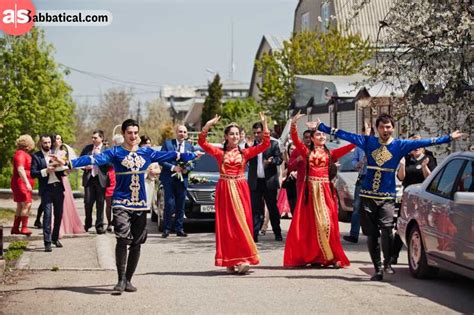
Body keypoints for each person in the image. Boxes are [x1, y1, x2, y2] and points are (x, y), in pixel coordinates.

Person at [311, 113, 465, 281]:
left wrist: (449, 137)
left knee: (387, 229)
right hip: (367, 195)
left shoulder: (400, 145)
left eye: (389, 127)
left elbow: (425, 142)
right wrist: (323, 127)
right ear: (377, 129)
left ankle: (387, 262)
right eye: (382, 127)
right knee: (372, 234)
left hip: (387, 196)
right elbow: (345, 134)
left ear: (393, 128)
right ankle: (377, 269)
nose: (386, 130)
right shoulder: (368, 142)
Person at [60, 119, 201, 294]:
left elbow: (171, 155)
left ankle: (128, 280)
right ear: (124, 134)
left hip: (140, 204)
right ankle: (119, 280)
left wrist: (191, 155)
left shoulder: (146, 152)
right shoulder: (116, 152)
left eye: (135, 133)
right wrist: (69, 164)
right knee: (122, 238)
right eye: (129, 133)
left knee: (136, 243)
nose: (133, 136)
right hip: (121, 201)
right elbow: (94, 159)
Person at [198, 113, 270, 274]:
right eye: (232, 134)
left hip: (240, 189)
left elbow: (265, 144)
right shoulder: (219, 153)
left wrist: (265, 125)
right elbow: (202, 142)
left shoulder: (245, 153)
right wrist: (208, 125)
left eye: (237, 134)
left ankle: (243, 258)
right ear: (226, 136)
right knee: (227, 226)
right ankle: (230, 260)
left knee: (242, 223)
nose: (235, 136)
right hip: (224, 190)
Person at [283, 113, 355, 268]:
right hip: (309, 193)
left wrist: (362, 137)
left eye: (323, 134)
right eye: (318, 134)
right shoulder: (307, 152)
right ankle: (315, 256)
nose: (321, 136)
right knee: (310, 225)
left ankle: (330, 256)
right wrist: (294, 123)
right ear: (313, 138)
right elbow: (295, 139)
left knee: (328, 223)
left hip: (325, 191)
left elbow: (350, 146)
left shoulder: (331, 154)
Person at [391, 134, 437, 264]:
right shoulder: (406, 158)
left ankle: (425, 257)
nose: (416, 147)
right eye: (413, 144)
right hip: (408, 198)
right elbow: (400, 178)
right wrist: (401, 165)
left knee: (421, 227)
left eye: (418, 144)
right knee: (401, 225)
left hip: (423, 199)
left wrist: (424, 166)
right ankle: (393, 256)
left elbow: (431, 179)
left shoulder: (429, 158)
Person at [31, 135, 67, 251]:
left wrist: (64, 170)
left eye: (49, 142)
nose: (47, 144)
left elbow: (64, 168)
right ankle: (47, 242)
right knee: (47, 215)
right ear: (41, 143)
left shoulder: (56, 154)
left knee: (59, 215)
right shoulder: (36, 156)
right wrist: (45, 171)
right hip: (46, 189)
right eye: (45, 143)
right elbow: (33, 173)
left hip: (58, 188)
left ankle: (54, 238)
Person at [248, 122, 283, 242]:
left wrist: (272, 160)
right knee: (256, 209)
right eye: (255, 133)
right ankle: (255, 234)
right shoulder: (251, 146)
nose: (257, 135)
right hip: (255, 182)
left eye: (259, 132)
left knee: (272, 208)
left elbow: (280, 159)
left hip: (269, 182)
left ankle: (277, 232)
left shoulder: (273, 144)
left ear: (264, 132)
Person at [159, 125, 195, 238]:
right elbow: (161, 159)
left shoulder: (190, 146)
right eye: (180, 131)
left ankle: (179, 229)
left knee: (181, 205)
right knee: (169, 204)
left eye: (184, 132)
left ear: (187, 134)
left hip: (182, 179)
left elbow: (193, 162)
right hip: (169, 178)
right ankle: (166, 229)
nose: (182, 134)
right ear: (176, 132)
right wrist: (173, 168)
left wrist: (187, 169)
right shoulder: (168, 144)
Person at [51, 134, 85, 236]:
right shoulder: (50, 152)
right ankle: (55, 227)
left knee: (65, 203)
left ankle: (64, 227)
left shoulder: (64, 152)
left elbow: (67, 165)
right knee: (53, 205)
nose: (60, 140)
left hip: (63, 179)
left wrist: (58, 163)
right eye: (57, 139)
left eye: (61, 139)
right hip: (52, 179)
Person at [343, 123, 372, 244]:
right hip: (362, 177)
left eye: (368, 130)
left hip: (373, 178)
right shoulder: (359, 147)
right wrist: (357, 164)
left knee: (373, 207)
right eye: (364, 130)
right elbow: (354, 160)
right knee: (357, 207)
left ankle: (373, 233)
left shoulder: (376, 145)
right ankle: (354, 234)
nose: (366, 132)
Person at [80, 130, 109, 234]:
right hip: (89, 178)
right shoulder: (87, 148)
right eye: (92, 137)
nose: (93, 139)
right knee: (88, 202)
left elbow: (111, 164)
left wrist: (100, 157)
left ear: (101, 138)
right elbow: (80, 161)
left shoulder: (107, 149)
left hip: (101, 179)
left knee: (100, 203)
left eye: (95, 138)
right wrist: (85, 166)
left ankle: (99, 226)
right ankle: (88, 223)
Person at [10, 135, 36, 236]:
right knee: (27, 204)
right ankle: (24, 228)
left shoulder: (22, 153)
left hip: (22, 182)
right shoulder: (20, 154)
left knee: (20, 206)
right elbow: (20, 169)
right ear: (28, 145)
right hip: (21, 183)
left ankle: (15, 228)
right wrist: (27, 183)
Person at [105, 134, 124, 232]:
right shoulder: (110, 152)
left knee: (119, 203)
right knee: (109, 204)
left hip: (120, 179)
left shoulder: (126, 152)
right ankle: (109, 223)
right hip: (110, 178)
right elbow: (105, 163)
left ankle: (117, 223)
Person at [140, 136, 161, 210]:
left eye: (149, 143)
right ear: (141, 144)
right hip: (140, 183)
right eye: (145, 143)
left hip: (150, 183)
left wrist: (153, 171)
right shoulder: (138, 155)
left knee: (147, 206)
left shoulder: (152, 155)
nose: (148, 145)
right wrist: (147, 170)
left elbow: (158, 170)